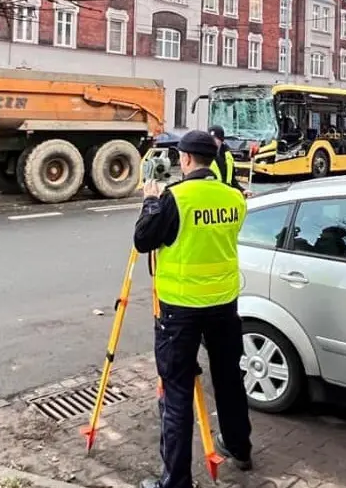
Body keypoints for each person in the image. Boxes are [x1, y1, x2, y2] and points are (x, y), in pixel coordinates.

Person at [133, 130, 253, 488]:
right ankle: (239, 447)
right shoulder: (234, 198)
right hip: (224, 306)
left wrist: (150, 201)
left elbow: (143, 240)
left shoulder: (175, 198)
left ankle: (176, 482)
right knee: (230, 379)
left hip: (180, 311)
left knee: (177, 392)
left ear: (184, 160)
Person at [208, 125, 252, 197]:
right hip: (211, 197)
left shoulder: (228, 156)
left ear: (221, 140)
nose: (212, 141)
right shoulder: (203, 156)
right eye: (210, 139)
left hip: (225, 197)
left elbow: (232, 181)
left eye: (215, 139)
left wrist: (242, 190)